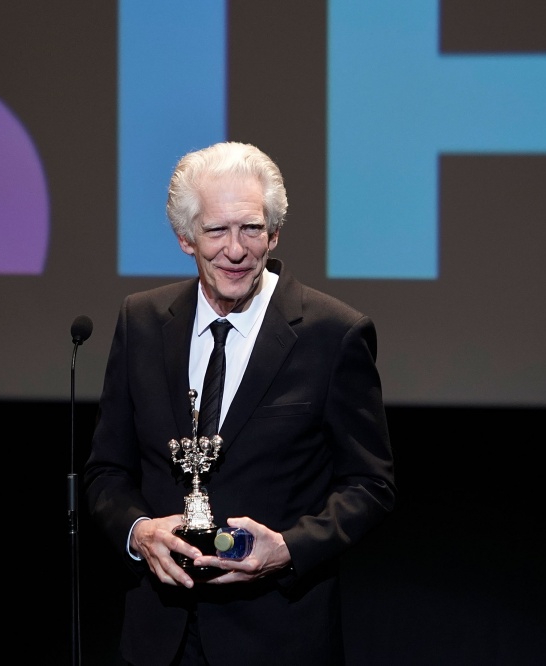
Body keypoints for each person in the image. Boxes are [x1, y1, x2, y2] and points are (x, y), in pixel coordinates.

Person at [84, 141, 395, 666]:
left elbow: (371, 484)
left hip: (278, 636)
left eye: (251, 228)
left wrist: (290, 548)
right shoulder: (142, 322)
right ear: (185, 237)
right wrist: (139, 532)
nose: (235, 250)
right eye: (216, 231)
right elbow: (106, 471)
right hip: (159, 636)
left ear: (273, 233)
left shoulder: (333, 333)